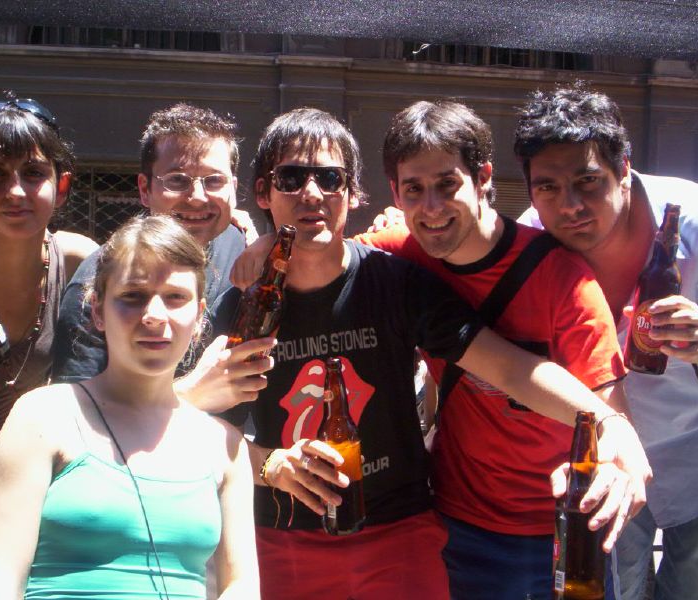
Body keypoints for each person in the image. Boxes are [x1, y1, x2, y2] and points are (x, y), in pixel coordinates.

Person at [223, 107, 648, 600]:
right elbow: (198, 432)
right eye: (291, 179)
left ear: (354, 192)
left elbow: (510, 367)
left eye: (329, 179)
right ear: (262, 192)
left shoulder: (401, 277)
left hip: (458, 529)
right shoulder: (248, 301)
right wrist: (271, 463)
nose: (312, 193)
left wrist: (608, 423)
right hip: (302, 535)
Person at [352, 99, 644, 600]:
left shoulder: (563, 278)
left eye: (448, 185)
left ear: (483, 176)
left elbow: (609, 411)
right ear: (395, 193)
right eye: (414, 190)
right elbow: (323, 260)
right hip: (459, 525)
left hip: (556, 534)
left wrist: (617, 464)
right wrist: (257, 242)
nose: (432, 208)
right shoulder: (397, 252)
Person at [514, 83, 698, 600]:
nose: (569, 205)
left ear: (624, 169)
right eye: (547, 187)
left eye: (587, 181)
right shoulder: (532, 244)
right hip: (603, 462)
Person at [0, 215, 259, 599]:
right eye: (133, 296)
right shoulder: (42, 418)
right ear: (96, 311)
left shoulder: (225, 447)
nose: (155, 316)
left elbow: (241, 586)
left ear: (199, 315)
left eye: (175, 297)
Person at [0, 94, 99, 598]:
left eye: (34, 173)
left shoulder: (79, 261)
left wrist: (238, 226)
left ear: (63, 184)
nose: (15, 191)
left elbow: (159, 276)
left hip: (33, 497)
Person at [53, 103, 273, 409]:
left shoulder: (242, 246)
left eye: (214, 181)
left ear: (233, 189)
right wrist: (189, 396)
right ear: (144, 189)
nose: (197, 197)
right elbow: (77, 419)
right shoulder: (99, 281)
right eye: (178, 180)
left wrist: (272, 239)